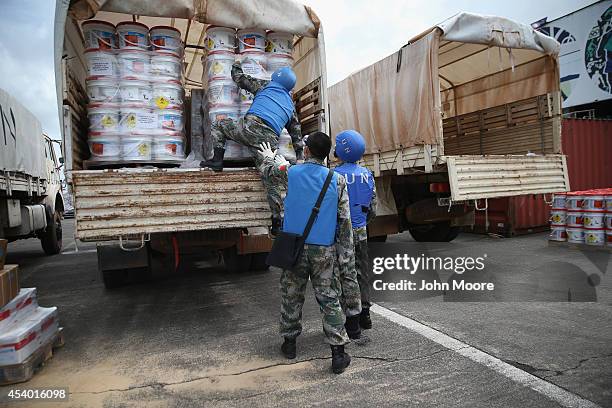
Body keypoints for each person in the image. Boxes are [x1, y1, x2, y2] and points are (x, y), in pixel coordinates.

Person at [257, 132, 358, 374]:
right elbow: (344, 221)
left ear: (308, 151)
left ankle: (289, 344)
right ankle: (338, 353)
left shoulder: (291, 172)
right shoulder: (337, 180)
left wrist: (270, 157)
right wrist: (345, 256)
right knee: (329, 299)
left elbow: (270, 170)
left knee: (292, 295)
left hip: (294, 247)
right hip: (324, 249)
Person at [202, 61, 304, 236]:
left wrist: (236, 63)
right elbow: (296, 134)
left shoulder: (266, 86)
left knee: (219, 124)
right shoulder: (290, 107)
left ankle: (217, 160)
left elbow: (239, 78)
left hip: (249, 128)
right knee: (270, 178)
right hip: (267, 141)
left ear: (276, 79)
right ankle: (277, 220)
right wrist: (300, 156)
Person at [333, 130, 377, 337]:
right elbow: (373, 208)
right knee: (362, 272)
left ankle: (352, 320)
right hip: (362, 231)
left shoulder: (335, 176)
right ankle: (365, 314)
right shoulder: (367, 174)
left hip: (342, 233)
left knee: (345, 275)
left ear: (341, 149)